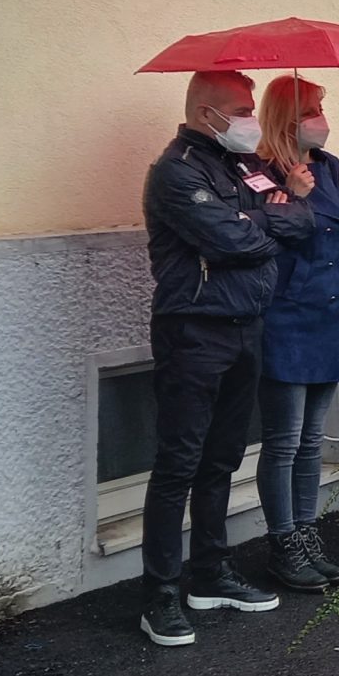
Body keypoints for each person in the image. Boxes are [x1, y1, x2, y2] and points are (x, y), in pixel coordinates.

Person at [126, 71, 313, 647]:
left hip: (245, 327)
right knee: (179, 462)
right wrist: (265, 223)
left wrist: (259, 221)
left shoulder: (242, 165)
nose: (250, 119)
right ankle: (160, 593)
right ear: (205, 112)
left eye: (251, 107)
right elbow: (230, 241)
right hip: (194, 330)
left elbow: (300, 223)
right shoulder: (176, 170)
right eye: (239, 109)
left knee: (223, 458)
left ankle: (210, 572)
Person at [255, 75, 339, 594]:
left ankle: (306, 529)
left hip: (331, 314)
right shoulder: (256, 172)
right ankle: (283, 541)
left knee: (312, 440)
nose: (323, 117)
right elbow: (264, 239)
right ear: (289, 117)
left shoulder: (328, 165)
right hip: (287, 317)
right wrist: (293, 198)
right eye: (314, 108)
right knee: (283, 441)